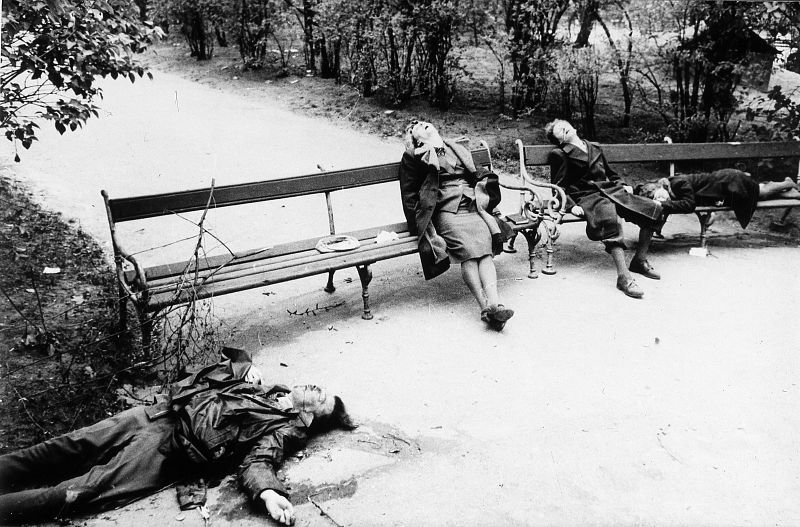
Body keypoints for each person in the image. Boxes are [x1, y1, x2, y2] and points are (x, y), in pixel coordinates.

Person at [0, 347, 355, 525]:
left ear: (309, 416)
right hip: (156, 413)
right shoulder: (270, 388)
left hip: (166, 451)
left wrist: (268, 493)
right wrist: (245, 366)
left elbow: (259, 461)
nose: (317, 388)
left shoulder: (284, 430)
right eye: (321, 388)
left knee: (82, 489)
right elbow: (216, 365)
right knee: (63, 447)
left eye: (321, 397)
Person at [399, 120, 514, 330]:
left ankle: (496, 305)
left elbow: (474, 173)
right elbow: (409, 192)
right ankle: (485, 308)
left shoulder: (455, 146)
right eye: (416, 126)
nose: (422, 124)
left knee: (485, 252)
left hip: (473, 205)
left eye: (424, 122)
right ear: (416, 140)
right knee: (468, 252)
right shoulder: (413, 156)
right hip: (446, 210)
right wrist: (418, 223)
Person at [544, 119, 666, 299]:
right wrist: (571, 206)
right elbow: (559, 187)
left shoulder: (594, 146)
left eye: (564, 125)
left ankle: (639, 260)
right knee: (610, 220)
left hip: (611, 191)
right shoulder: (560, 154)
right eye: (559, 132)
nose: (564, 129)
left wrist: (622, 185)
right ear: (560, 141)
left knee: (651, 209)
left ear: (572, 126)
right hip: (587, 196)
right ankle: (624, 277)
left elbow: (611, 174)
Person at [634, 169, 800, 228]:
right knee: (759, 196)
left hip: (729, 182)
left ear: (660, 186)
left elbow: (689, 204)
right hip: (721, 189)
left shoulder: (678, 183)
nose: (661, 199)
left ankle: (788, 183)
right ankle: (792, 193)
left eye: (658, 195)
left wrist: (662, 204)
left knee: (759, 193)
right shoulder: (669, 188)